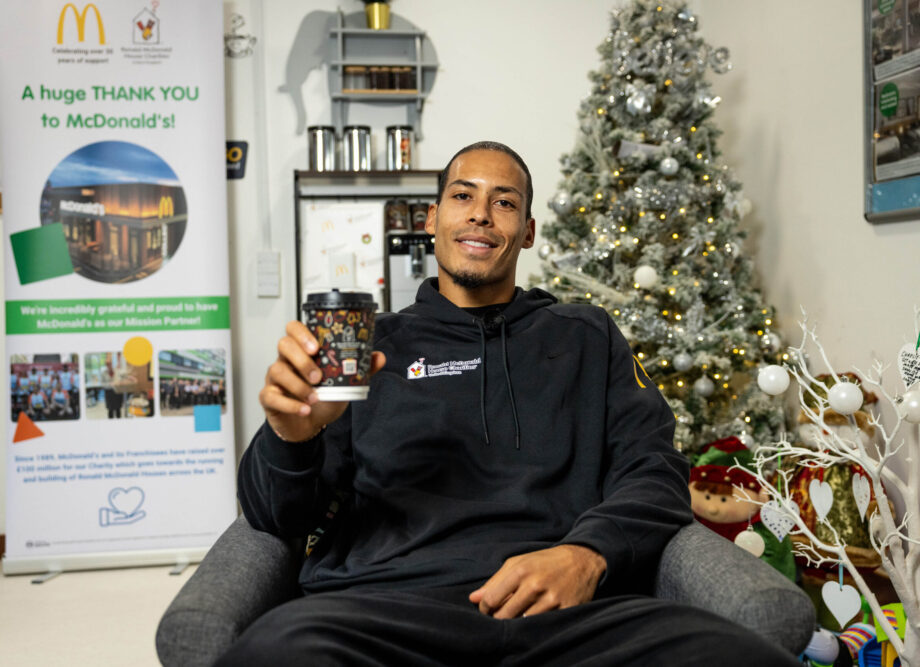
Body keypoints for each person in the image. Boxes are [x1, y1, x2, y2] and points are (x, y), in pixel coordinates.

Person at [218, 142, 800, 666]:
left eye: (504, 202)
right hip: (388, 608)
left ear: (526, 231)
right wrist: (291, 436)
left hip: (568, 613)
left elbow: (654, 469)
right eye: (462, 196)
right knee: (272, 653)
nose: (479, 213)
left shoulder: (586, 337)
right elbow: (278, 519)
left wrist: (586, 553)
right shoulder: (370, 349)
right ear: (432, 220)